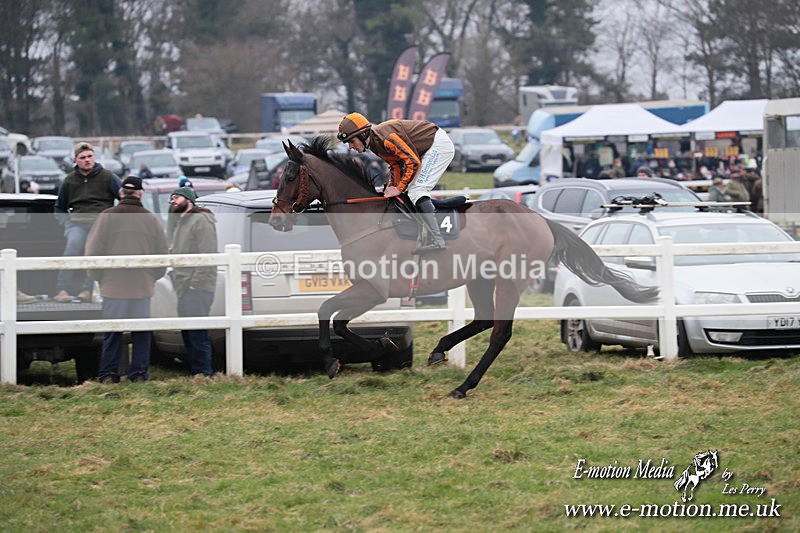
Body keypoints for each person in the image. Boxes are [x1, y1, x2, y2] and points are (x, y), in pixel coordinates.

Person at [85, 176, 168, 383]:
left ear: (121, 193)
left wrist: (100, 278)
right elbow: (162, 255)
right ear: (141, 194)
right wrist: (151, 277)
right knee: (142, 334)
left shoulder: (107, 216)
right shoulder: (151, 219)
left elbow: (93, 252)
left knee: (112, 333)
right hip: (142, 286)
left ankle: (108, 374)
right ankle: (139, 373)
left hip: (113, 287)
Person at [337, 112, 455, 254]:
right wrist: (391, 187)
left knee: (417, 190)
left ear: (362, 134)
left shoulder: (386, 138)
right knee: (408, 190)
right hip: (425, 149)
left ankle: (437, 239)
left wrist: (398, 188)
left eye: (351, 141)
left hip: (438, 145)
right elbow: (396, 165)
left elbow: (413, 162)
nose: (350, 146)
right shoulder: (374, 144)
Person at [53, 142, 122, 303]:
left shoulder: (108, 176)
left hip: (101, 224)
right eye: (83, 157)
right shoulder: (69, 180)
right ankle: (61, 289)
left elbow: (124, 198)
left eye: (90, 156)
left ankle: (88, 290)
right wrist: (66, 223)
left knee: (94, 252)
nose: (87, 160)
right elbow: (59, 207)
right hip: (76, 223)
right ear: (75, 160)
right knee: (73, 247)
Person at [168, 186, 218, 377]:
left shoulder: (201, 220)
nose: (172, 201)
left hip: (197, 287)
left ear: (188, 199)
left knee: (198, 334)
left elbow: (208, 253)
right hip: (183, 286)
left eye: (176, 197)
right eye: (171, 198)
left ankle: (204, 374)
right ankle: (196, 372)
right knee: (188, 333)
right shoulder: (181, 221)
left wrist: (194, 284)